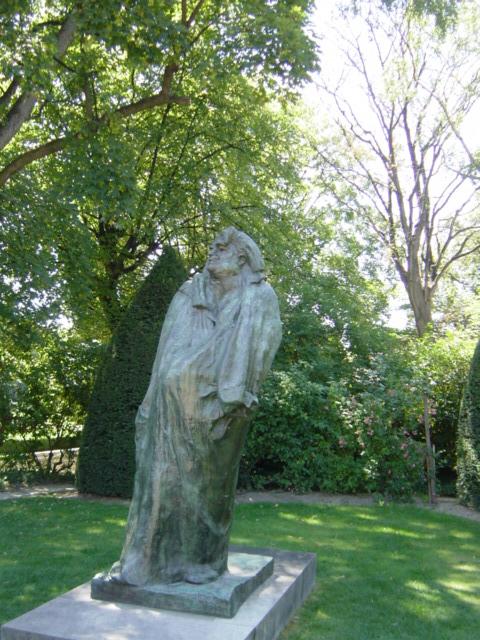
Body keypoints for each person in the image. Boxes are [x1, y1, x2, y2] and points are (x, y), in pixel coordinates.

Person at [110, 227, 282, 586]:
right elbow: (165, 352)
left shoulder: (259, 297)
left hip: (220, 412)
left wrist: (235, 396)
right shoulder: (190, 293)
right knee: (161, 480)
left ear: (242, 258)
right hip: (170, 410)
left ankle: (201, 560)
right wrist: (155, 394)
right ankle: (151, 560)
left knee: (209, 489)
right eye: (212, 247)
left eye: (222, 248)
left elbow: (262, 350)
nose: (213, 251)